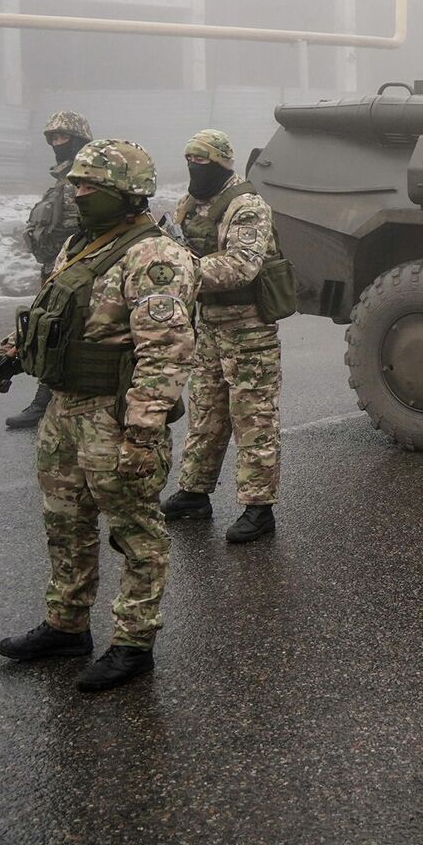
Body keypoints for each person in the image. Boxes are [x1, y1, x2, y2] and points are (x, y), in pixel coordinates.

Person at [0, 139, 197, 692]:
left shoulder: (155, 257)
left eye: (88, 186)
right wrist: (9, 359)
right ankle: (66, 623)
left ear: (125, 193)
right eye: (75, 184)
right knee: (65, 523)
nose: (75, 194)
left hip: (114, 414)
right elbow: (49, 315)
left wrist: (142, 433)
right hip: (65, 410)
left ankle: (132, 642)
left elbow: (165, 352)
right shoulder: (78, 245)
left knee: (134, 530)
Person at [158, 130, 285, 544]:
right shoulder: (189, 205)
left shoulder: (247, 206)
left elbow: (240, 267)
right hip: (209, 325)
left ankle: (258, 508)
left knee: (254, 418)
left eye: (203, 160)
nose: (195, 167)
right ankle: (194, 493)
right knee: (206, 413)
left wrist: (181, 269)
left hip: (248, 327)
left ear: (222, 162)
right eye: (189, 159)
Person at [8, 111, 93, 427]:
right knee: (54, 332)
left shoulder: (88, 174)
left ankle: (45, 401)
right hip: (57, 268)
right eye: (53, 139)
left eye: (64, 137)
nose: (58, 143)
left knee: (58, 333)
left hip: (79, 269)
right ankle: (51, 400)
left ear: (79, 139)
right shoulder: (62, 178)